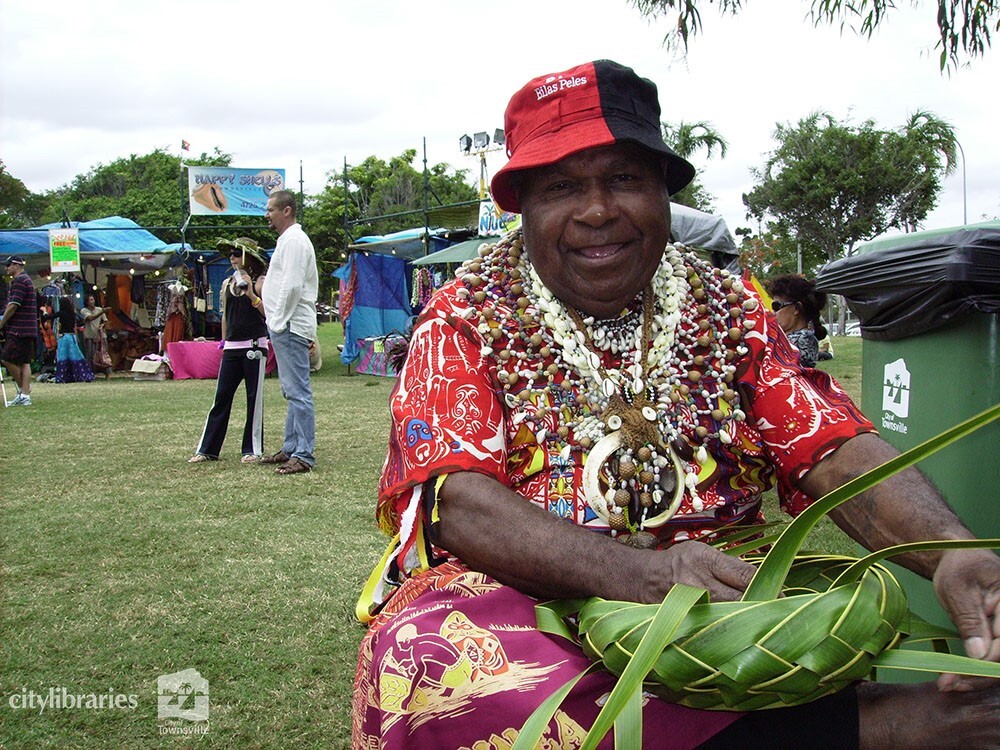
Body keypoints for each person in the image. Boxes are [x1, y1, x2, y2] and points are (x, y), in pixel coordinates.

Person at [352, 60, 1000, 749]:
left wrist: (951, 553)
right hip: (526, 602)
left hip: (717, 606)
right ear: (525, 207)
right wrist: (646, 575)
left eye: (625, 179)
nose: (598, 210)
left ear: (665, 192)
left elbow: (830, 445)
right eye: (562, 187)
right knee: (428, 661)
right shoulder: (463, 316)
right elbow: (461, 505)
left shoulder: (728, 308)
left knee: (806, 625)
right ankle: (860, 727)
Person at [189, 238, 270, 464]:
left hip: (254, 346)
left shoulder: (260, 282)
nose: (232, 258)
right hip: (232, 348)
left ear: (248, 257)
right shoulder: (227, 284)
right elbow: (226, 316)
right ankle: (207, 449)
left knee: (254, 399)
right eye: (230, 255)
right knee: (221, 397)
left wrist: (252, 295)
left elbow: (268, 313)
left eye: (236, 253)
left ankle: (252, 449)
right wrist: (223, 343)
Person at [261, 189, 318, 475]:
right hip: (288, 324)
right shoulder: (289, 240)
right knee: (291, 389)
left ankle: (304, 454)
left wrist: (278, 321)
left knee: (298, 391)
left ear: (287, 210)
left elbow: (293, 285)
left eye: (271, 209)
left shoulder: (295, 240)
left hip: (291, 325)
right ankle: (291, 446)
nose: (267, 215)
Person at [0, 255, 40, 406]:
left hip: (19, 329)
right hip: (28, 328)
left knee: (6, 358)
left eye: (8, 265)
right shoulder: (27, 280)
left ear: (16, 265)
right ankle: (24, 394)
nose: (6, 268)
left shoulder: (19, 281)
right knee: (24, 362)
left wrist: (2, 323)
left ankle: (24, 391)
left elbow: (13, 305)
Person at [767, 274, 829, 368]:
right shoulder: (791, 338)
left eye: (776, 306)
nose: (773, 312)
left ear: (796, 308)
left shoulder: (803, 339)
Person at [42, 295, 95, 383]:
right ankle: (80, 374)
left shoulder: (61, 313)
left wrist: (44, 311)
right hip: (72, 337)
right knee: (75, 356)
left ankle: (64, 376)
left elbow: (47, 317)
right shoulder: (73, 314)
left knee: (63, 357)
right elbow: (81, 321)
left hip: (64, 337)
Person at [80, 294, 113, 377]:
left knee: (103, 354)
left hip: (100, 336)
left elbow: (105, 321)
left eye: (93, 299)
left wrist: (102, 325)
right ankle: (90, 373)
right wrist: (102, 311)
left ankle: (107, 373)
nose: (93, 301)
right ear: (87, 302)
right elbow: (91, 318)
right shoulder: (84, 310)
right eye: (91, 300)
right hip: (90, 335)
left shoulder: (99, 309)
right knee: (91, 356)